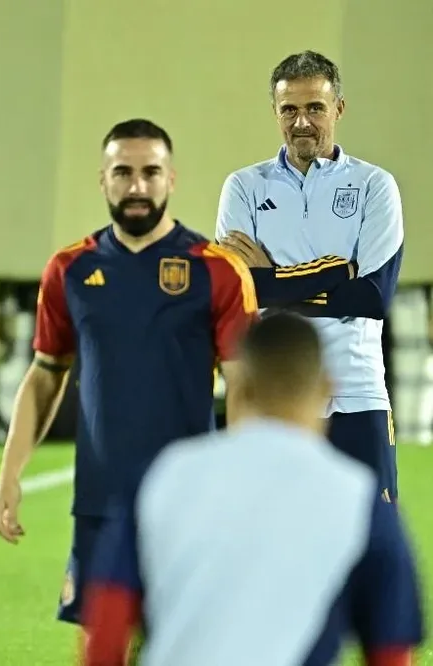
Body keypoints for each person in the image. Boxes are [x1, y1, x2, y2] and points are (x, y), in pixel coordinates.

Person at [0, 118, 259, 626]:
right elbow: (46, 374)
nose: (137, 186)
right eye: (123, 172)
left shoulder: (217, 269)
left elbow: (244, 385)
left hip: (188, 500)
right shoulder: (68, 270)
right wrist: (9, 475)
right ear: (103, 179)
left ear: (171, 180)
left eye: (150, 172)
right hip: (101, 503)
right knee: (105, 649)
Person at [82, 312, 425, 666]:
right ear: (326, 388)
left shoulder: (162, 477)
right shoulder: (361, 500)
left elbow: (106, 625)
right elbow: (391, 653)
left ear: (241, 387)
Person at [216, 50, 404, 502]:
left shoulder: (374, 186)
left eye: (315, 107)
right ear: (275, 112)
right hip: (272, 398)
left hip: (357, 394)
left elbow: (372, 297)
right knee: (274, 545)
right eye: (290, 109)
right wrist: (336, 273)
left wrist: (273, 282)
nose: (302, 122)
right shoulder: (243, 187)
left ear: (339, 108)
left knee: (371, 546)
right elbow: (239, 290)